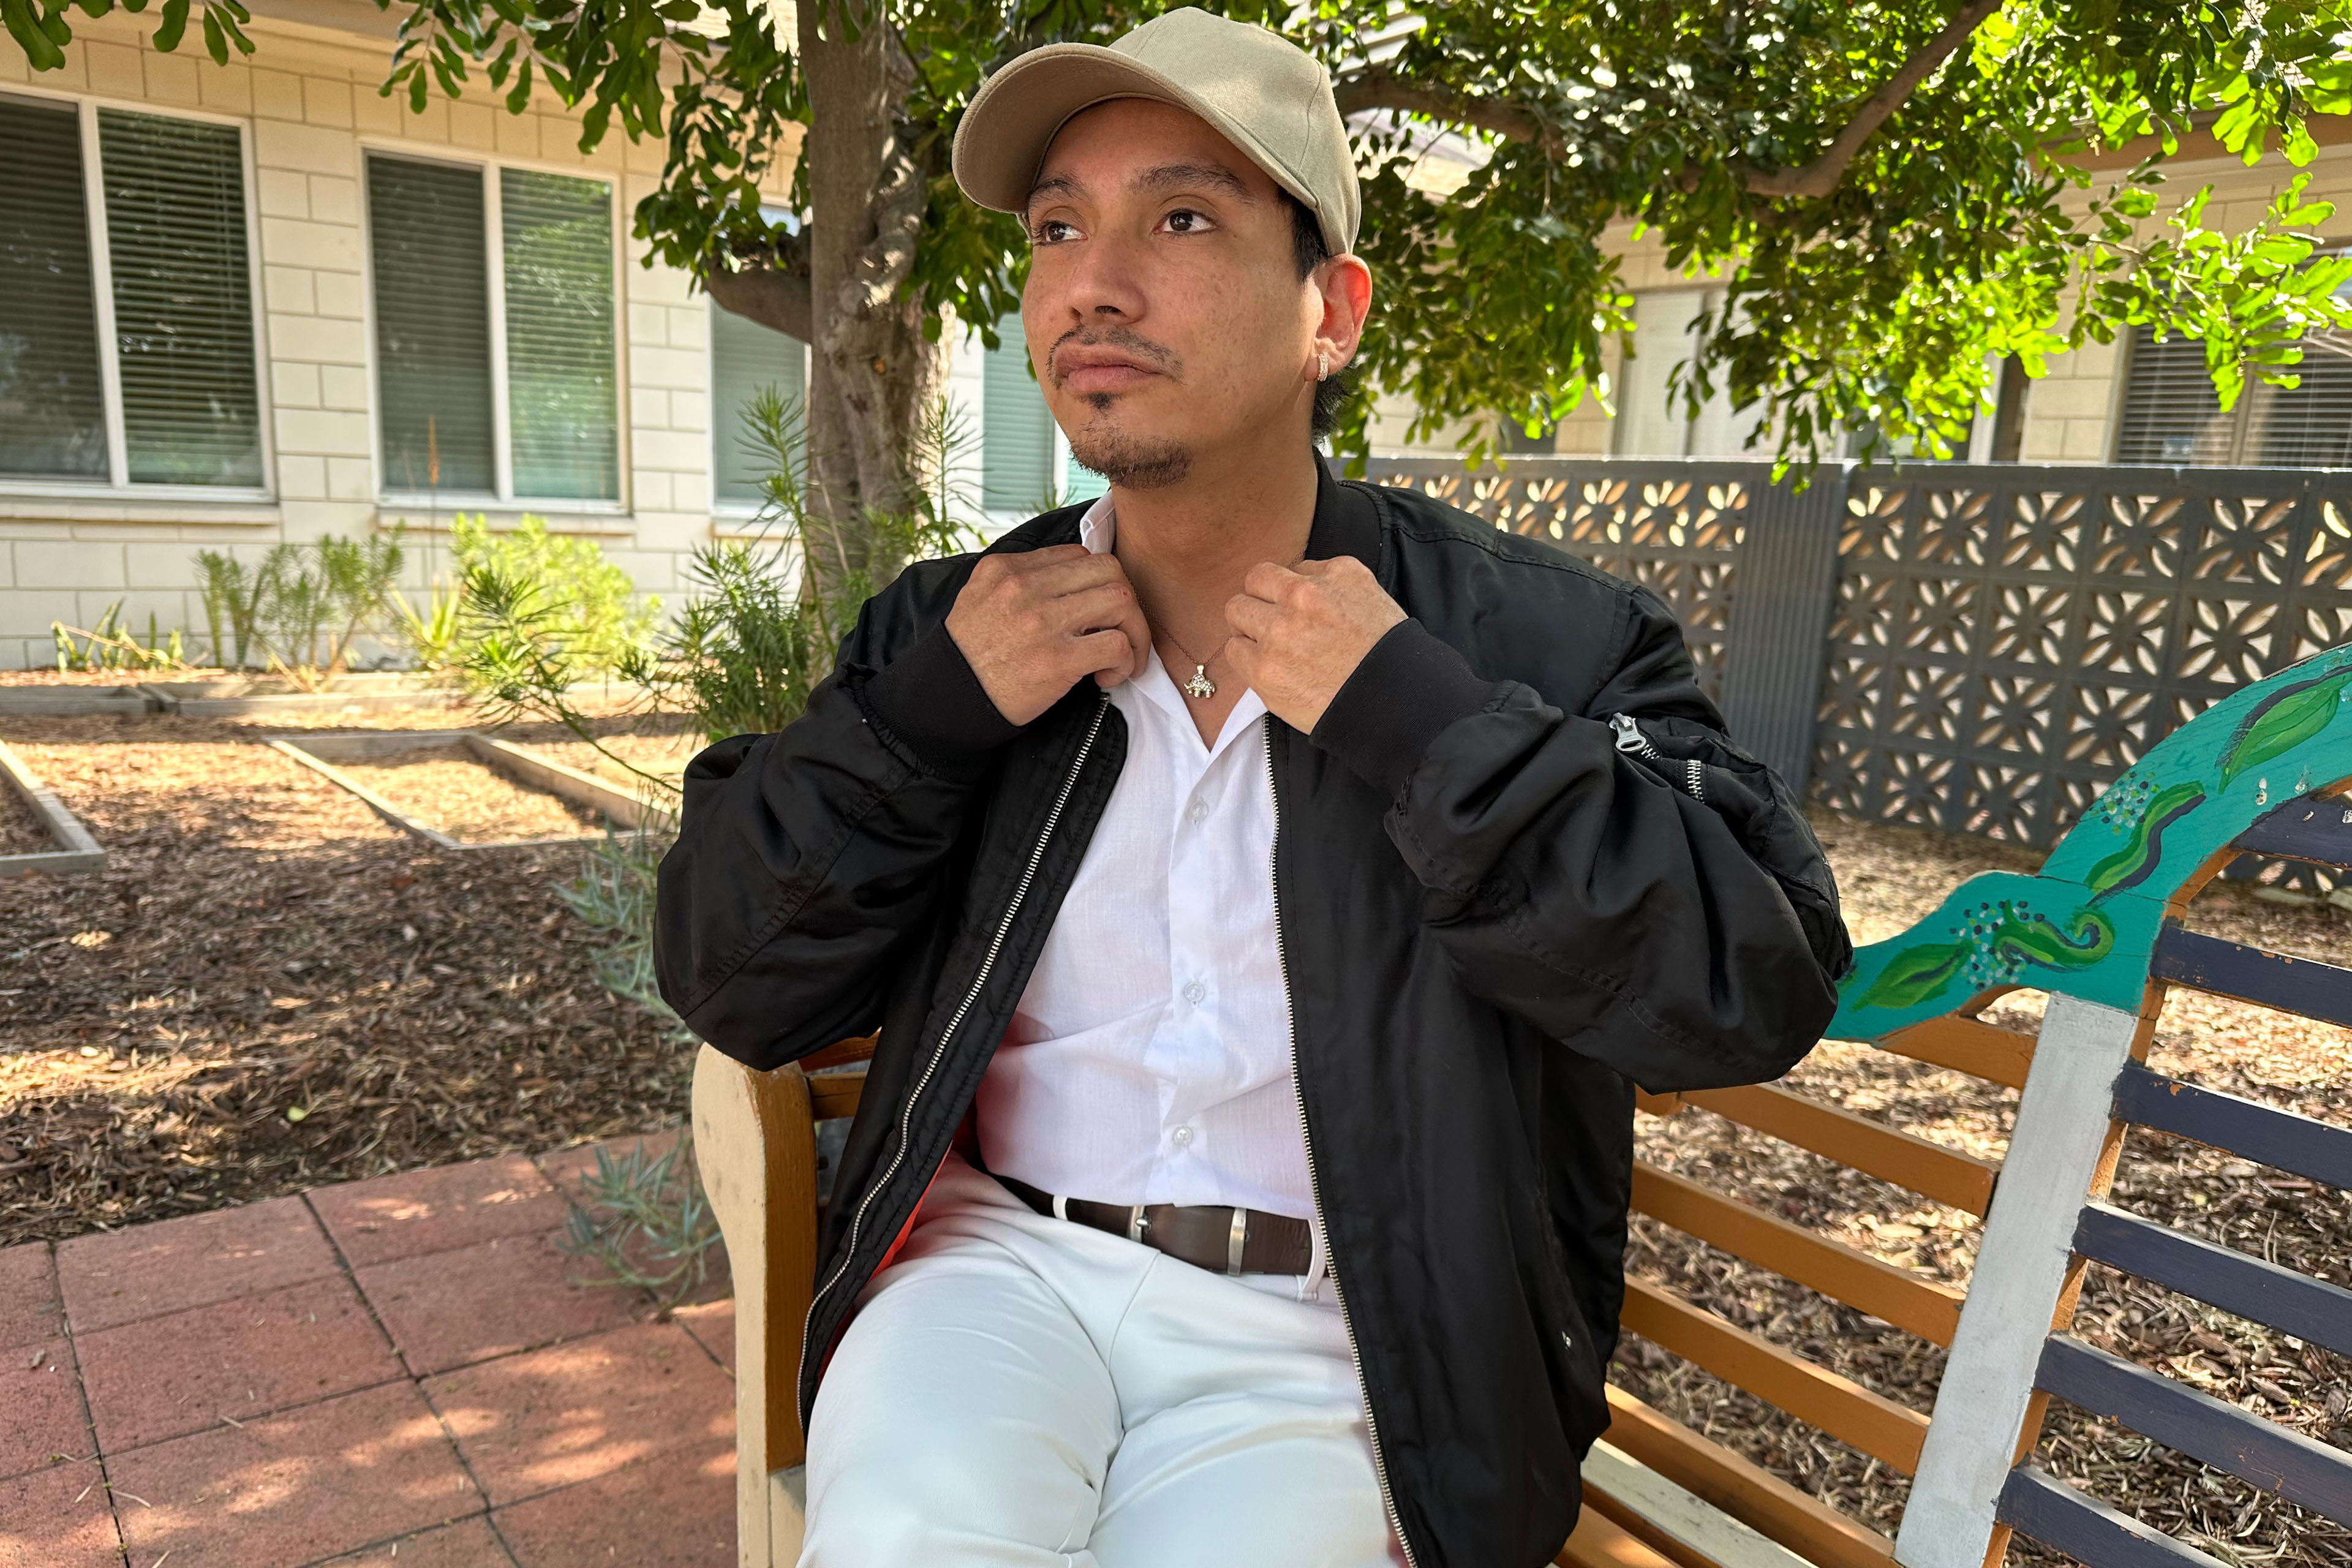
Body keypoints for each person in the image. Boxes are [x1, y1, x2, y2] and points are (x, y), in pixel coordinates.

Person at [654, 10, 1851, 1565]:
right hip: (994, 1272)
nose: (1093, 278)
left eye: (1183, 217)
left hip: (1351, 1334)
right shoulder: (955, 635)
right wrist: (926, 720)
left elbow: (1747, 989)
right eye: (1059, 228)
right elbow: (731, 973)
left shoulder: (1541, 645)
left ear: (1330, 312)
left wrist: (1427, 729)